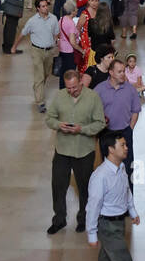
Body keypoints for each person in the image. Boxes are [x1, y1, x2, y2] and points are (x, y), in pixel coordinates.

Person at [44, 67, 105, 234]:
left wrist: (82, 129)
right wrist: (58, 125)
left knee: (84, 187)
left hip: (84, 151)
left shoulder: (93, 97)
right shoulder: (60, 96)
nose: (71, 91)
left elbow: (100, 123)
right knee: (58, 185)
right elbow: (49, 118)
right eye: (68, 88)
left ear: (80, 82)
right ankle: (59, 219)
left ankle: (83, 219)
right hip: (62, 149)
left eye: (74, 87)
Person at [86, 131, 139, 261]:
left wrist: (132, 211)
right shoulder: (100, 176)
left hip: (118, 222)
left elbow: (126, 191)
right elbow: (93, 206)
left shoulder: (122, 168)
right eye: (122, 145)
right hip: (106, 225)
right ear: (110, 149)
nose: (126, 148)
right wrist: (92, 234)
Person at [97, 56, 142, 180]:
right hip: (106, 133)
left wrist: (130, 128)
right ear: (111, 72)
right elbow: (94, 111)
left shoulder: (130, 89)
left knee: (128, 167)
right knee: (108, 167)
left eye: (124, 71)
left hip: (125, 132)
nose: (123, 74)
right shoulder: (100, 89)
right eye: (120, 72)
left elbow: (135, 111)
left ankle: (129, 195)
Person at [19, 0, 59, 112]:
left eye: (46, 5)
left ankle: (37, 87)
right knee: (39, 76)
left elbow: (56, 33)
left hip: (50, 50)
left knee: (46, 74)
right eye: (43, 6)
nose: (46, 8)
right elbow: (23, 33)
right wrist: (14, 46)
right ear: (38, 8)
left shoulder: (53, 18)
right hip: (37, 50)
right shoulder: (32, 21)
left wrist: (57, 43)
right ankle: (40, 102)